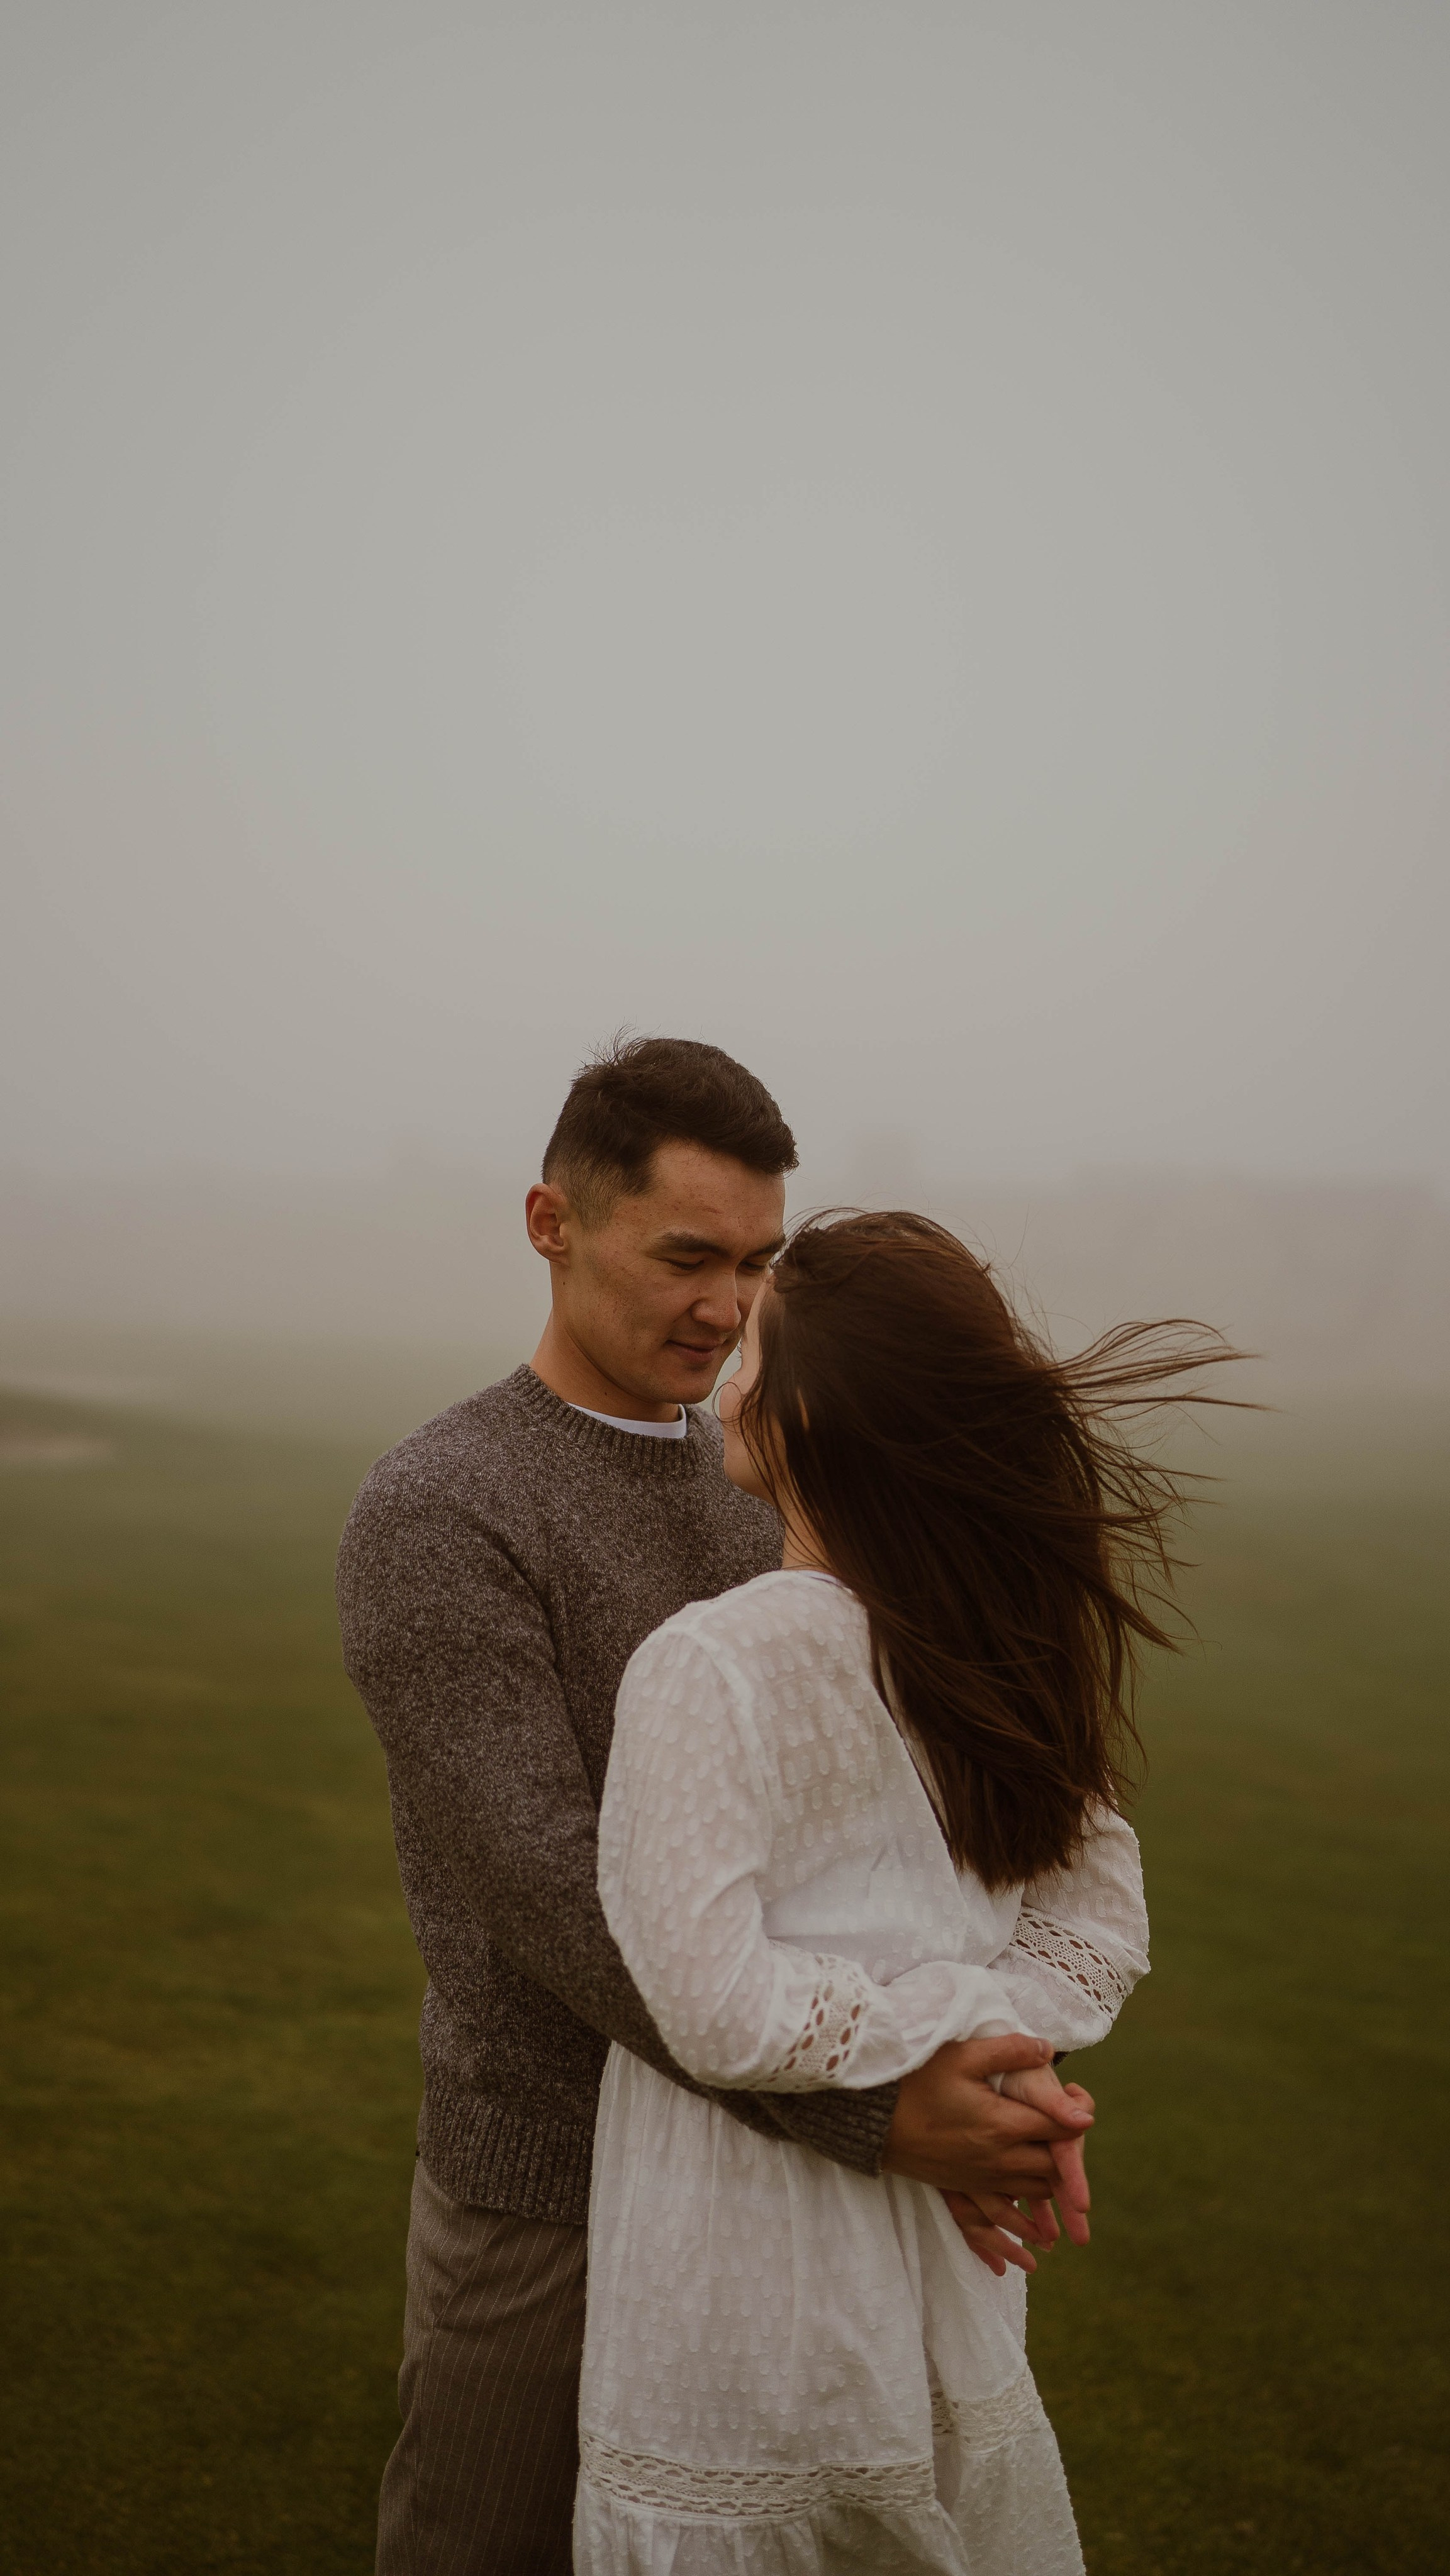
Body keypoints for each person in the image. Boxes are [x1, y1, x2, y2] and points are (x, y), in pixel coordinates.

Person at [338, 1040, 1094, 2576]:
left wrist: (988, 2057)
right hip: (549, 2190)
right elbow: (555, 1894)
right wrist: (886, 2108)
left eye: (756, 1261)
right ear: (552, 1221)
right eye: (687, 1255)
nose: (729, 1304)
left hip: (799, 2210)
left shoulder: (776, 1469)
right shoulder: (443, 1507)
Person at [576, 1209, 1219, 2574]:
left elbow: (711, 2007)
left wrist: (947, 2030)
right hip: (939, 2239)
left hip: (740, 2293)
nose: (727, 1374)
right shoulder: (989, 1641)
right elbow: (1091, 1939)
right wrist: (981, 2036)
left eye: (755, 1343)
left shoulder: (708, 1663)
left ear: (812, 1408)